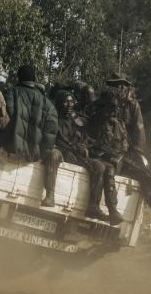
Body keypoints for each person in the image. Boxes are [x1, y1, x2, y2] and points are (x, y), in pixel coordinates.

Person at [89, 72, 151, 230]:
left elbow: (138, 132)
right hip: (103, 153)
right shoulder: (100, 105)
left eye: (122, 85)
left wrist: (136, 155)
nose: (119, 88)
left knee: (146, 176)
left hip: (126, 153)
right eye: (116, 85)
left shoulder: (132, 105)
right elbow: (92, 128)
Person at [50, 90, 124, 224]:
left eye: (71, 101)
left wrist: (83, 149)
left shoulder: (76, 122)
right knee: (99, 165)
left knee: (99, 166)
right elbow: (51, 139)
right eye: (65, 101)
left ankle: (93, 205)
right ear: (58, 103)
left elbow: (83, 139)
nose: (69, 104)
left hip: (78, 157)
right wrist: (64, 151)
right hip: (63, 156)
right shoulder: (53, 120)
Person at [0, 65, 59, 207]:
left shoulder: (10, 93)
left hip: (9, 147)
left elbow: (4, 119)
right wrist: (42, 154)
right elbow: (50, 133)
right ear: (35, 79)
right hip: (34, 154)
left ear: (18, 77)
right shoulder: (49, 104)